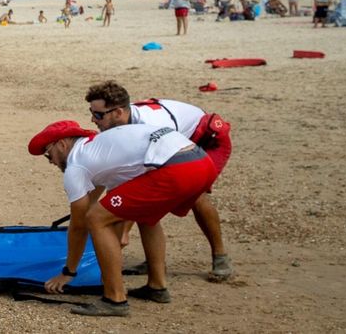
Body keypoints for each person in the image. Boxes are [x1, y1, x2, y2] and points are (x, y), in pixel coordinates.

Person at [30, 118, 221, 317]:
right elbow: (101, 201)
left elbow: (80, 223)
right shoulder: (100, 147)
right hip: (201, 161)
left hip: (178, 168)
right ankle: (157, 286)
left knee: (96, 218)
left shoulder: (76, 165)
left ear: (62, 144)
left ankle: (115, 299)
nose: (50, 161)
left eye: (47, 153)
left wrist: (68, 272)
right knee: (146, 214)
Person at [85, 81, 234, 282]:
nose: (93, 119)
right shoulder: (118, 124)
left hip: (206, 141)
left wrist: (123, 229)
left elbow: (148, 173)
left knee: (196, 196)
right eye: (92, 112)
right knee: (146, 202)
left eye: (98, 115)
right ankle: (155, 263)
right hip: (176, 146)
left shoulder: (153, 124)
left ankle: (220, 256)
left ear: (118, 112)